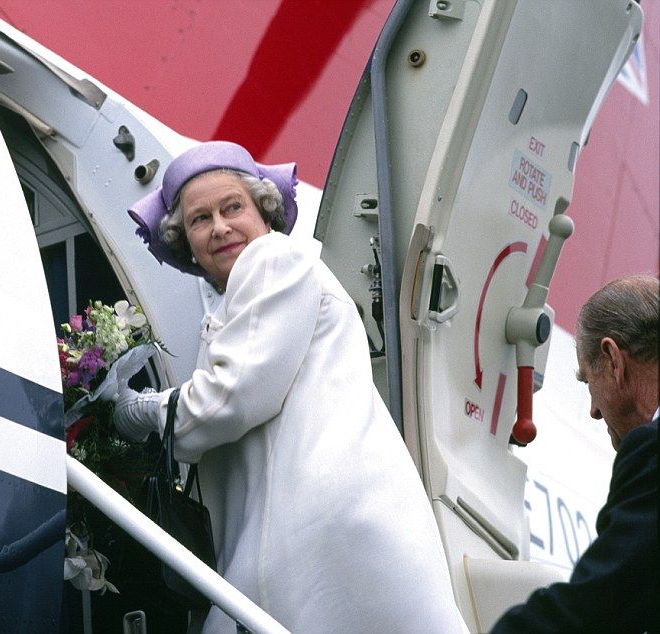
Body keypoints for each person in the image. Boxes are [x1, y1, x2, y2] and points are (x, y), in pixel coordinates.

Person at [114, 141, 466, 632]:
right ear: (184, 241)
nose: (219, 227)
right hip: (319, 534)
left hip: (313, 534)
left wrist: (144, 410)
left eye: (232, 206)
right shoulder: (238, 297)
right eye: (199, 219)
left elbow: (227, 400)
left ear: (264, 212)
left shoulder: (272, 258)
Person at [492, 275, 658, 633]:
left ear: (613, 360)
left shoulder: (652, 453)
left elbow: (599, 604)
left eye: (586, 382)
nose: (594, 411)